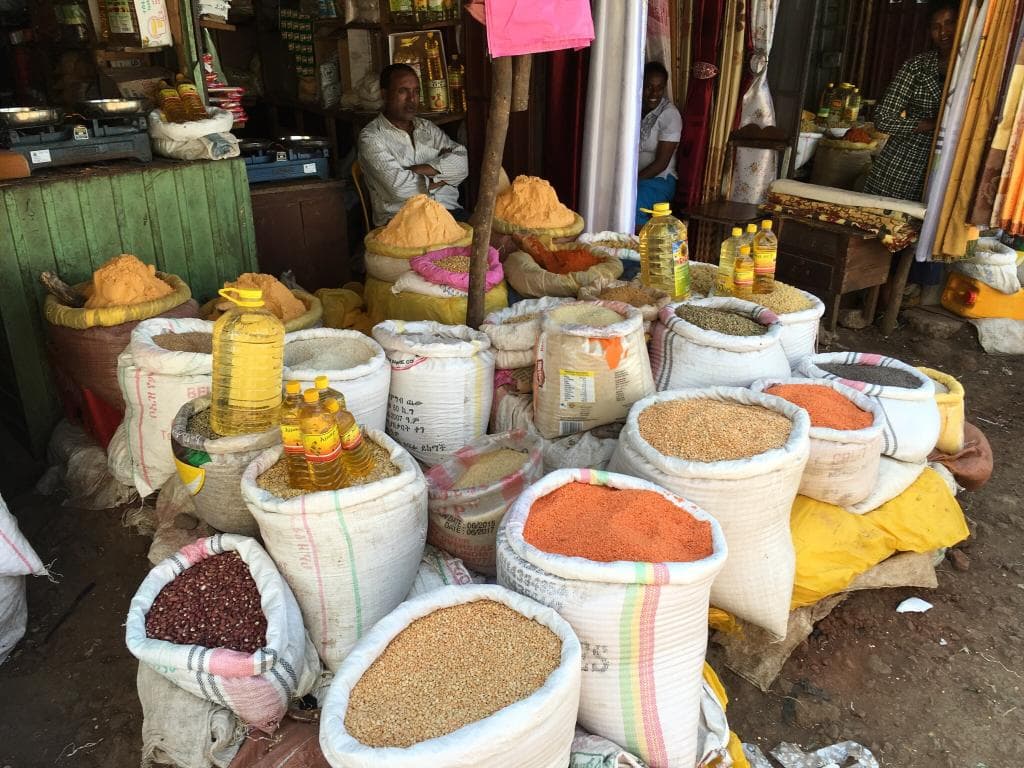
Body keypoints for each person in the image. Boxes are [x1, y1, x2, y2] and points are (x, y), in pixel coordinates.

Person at [862, 0, 957, 201]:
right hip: (902, 166)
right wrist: (933, 124)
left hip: (949, 168)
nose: (943, 32)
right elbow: (883, 118)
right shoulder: (917, 67)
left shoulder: (977, 72)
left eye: (949, 23)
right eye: (935, 26)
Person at [358, 63, 469, 226]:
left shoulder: (427, 128)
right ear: (385, 94)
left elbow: (463, 163)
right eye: (403, 91)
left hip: (449, 213)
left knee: (496, 237)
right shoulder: (372, 137)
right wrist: (444, 177)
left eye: (416, 91)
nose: (412, 99)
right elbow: (400, 189)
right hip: (403, 222)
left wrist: (420, 170)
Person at [636, 61, 682, 229]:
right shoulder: (634, 107)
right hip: (636, 179)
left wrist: (631, 183)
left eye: (659, 88)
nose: (654, 93)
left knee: (632, 201)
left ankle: (634, 251)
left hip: (660, 180)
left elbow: (661, 163)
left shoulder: (670, 115)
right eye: (649, 87)